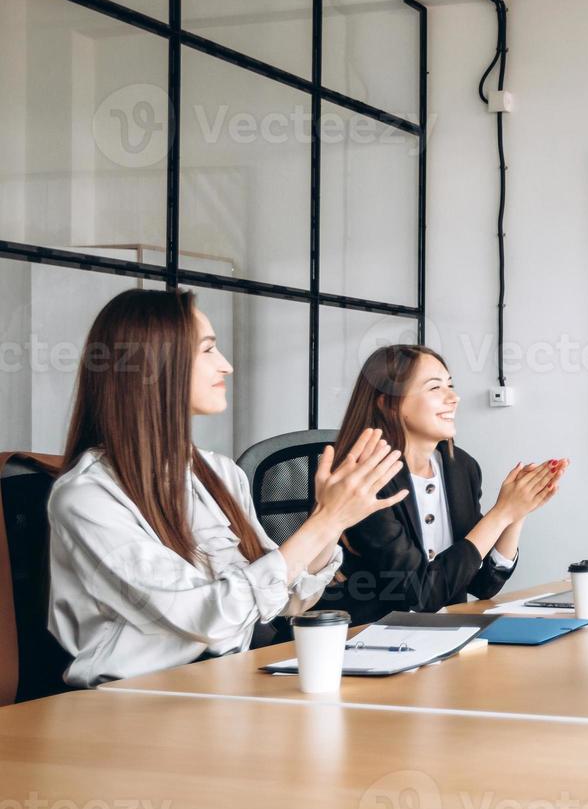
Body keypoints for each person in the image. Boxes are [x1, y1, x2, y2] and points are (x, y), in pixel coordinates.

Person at [48, 289, 403, 688]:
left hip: (227, 682)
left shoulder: (218, 473)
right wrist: (325, 521)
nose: (227, 366)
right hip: (135, 702)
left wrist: (333, 523)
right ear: (153, 364)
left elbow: (288, 599)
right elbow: (208, 617)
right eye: (208, 350)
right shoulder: (86, 497)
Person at [317, 345, 565, 626]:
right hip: (366, 641)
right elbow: (420, 594)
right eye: (435, 388)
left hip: (443, 638)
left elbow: (483, 585)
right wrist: (502, 514)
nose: (454, 397)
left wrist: (516, 512)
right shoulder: (362, 479)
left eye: (450, 385)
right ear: (387, 403)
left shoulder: (461, 467)